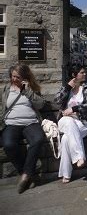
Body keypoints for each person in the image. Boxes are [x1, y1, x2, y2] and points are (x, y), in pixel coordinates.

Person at [1, 64, 46, 193]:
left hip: (31, 122)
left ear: (24, 77)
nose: (14, 79)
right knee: (8, 144)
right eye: (13, 76)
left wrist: (28, 92)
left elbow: (41, 105)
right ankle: (26, 174)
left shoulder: (32, 88)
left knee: (37, 140)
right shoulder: (7, 89)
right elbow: (2, 107)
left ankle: (25, 176)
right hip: (12, 123)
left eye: (18, 77)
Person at [54, 64, 87, 183]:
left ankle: (66, 174)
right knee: (69, 122)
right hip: (64, 121)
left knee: (66, 138)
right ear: (74, 75)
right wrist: (67, 88)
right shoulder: (66, 87)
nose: (85, 74)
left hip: (82, 123)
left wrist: (74, 109)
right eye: (82, 72)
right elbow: (56, 101)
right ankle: (79, 157)